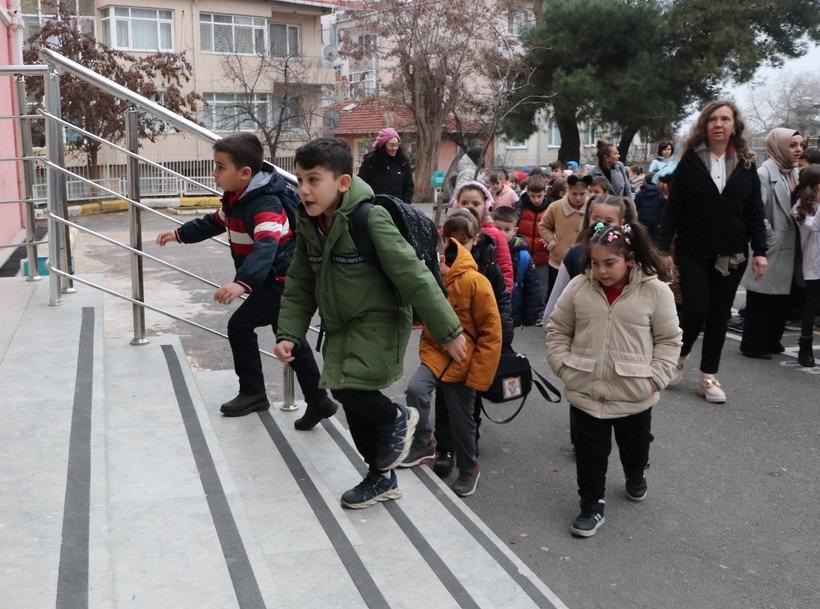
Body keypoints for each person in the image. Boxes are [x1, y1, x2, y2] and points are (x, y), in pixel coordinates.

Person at [273, 138, 466, 509]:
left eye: (314, 180)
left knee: (352, 390)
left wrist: (448, 331)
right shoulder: (311, 225)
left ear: (343, 183)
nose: (305, 190)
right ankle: (380, 476)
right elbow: (299, 284)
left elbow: (413, 275)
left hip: (380, 322)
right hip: (342, 326)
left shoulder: (369, 217)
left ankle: (398, 416)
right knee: (347, 396)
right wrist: (289, 334)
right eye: (299, 180)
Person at [155, 133, 338, 426]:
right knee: (291, 339)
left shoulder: (264, 204)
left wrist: (242, 283)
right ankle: (319, 401)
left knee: (239, 326)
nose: (214, 174)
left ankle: (254, 393)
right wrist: (180, 234)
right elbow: (214, 222)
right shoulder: (236, 198)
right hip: (270, 280)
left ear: (244, 173)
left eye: (219, 167)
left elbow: (267, 247)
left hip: (280, 281)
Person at [546, 224, 682, 537]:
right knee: (589, 452)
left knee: (635, 447)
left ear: (630, 259)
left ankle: (636, 472)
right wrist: (565, 367)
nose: (601, 271)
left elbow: (669, 340)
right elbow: (557, 330)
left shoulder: (655, 291)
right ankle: (591, 505)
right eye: (595, 263)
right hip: (586, 390)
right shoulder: (580, 287)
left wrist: (656, 379)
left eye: (610, 263)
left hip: (635, 392)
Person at [657, 100, 768, 403]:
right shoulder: (690, 163)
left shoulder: (746, 165)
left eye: (725, 119)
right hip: (693, 251)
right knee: (696, 310)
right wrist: (661, 249)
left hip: (732, 253)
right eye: (713, 119)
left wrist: (760, 250)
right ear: (704, 125)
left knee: (719, 315)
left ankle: (708, 377)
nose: (719, 124)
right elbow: (673, 210)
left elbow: (755, 212)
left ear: (735, 126)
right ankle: (679, 358)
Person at [404, 219, 502, 497]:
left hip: (465, 361)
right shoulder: (429, 277)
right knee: (415, 390)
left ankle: (469, 466)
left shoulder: (475, 281)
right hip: (437, 353)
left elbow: (491, 332)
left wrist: (479, 375)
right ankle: (423, 443)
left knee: (462, 420)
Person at [422, 208, 514, 476]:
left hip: (475, 348)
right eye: (453, 239)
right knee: (443, 400)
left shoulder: (487, 267)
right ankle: (445, 449)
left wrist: (504, 340)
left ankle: (467, 447)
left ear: (476, 238)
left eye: (464, 241)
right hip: (445, 351)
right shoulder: (440, 265)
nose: (459, 246)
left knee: (468, 404)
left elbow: (501, 303)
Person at [739, 128, 803, 359]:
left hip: (790, 244)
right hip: (771, 244)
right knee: (761, 298)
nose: (798, 150)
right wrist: (769, 238)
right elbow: (754, 212)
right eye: (792, 145)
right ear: (778, 146)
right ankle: (753, 345)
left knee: (781, 298)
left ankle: (772, 340)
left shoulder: (793, 172)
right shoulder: (764, 174)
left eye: (800, 145)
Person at [450, 180, 514, 293]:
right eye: (464, 203)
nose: (470, 207)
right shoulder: (447, 231)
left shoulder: (496, 235)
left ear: (486, 206)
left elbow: (505, 270)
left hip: (487, 297)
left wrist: (504, 299)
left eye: (476, 204)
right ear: (456, 204)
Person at [539, 173, 591, 298]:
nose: (578, 198)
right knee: (558, 297)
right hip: (558, 261)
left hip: (586, 262)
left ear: (587, 191)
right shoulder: (555, 207)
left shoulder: (593, 207)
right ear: (568, 190)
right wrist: (552, 244)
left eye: (582, 194)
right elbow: (544, 226)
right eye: (574, 194)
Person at [492, 205, 542, 326]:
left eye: (507, 230)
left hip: (511, 311)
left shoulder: (523, 256)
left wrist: (530, 317)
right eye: (498, 229)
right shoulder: (486, 250)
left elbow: (532, 288)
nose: (502, 234)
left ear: (515, 231)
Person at [791, 164, 820, 367]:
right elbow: (815, 226)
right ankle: (805, 345)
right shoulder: (802, 207)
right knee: (812, 304)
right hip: (814, 263)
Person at [516, 175, 552, 305]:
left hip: (542, 255)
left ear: (545, 192)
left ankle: (540, 309)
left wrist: (550, 239)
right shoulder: (520, 207)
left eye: (539, 196)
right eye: (532, 196)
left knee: (541, 285)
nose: (536, 200)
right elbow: (514, 227)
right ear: (528, 193)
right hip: (523, 254)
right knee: (522, 283)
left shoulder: (551, 208)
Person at [357, 127, 415, 204]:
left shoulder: (403, 162)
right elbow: (362, 186)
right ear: (383, 145)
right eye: (391, 145)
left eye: (397, 145)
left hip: (398, 209)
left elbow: (409, 186)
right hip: (376, 210)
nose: (395, 148)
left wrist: (405, 205)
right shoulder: (370, 162)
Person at [634, 173, 666, 245]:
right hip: (655, 220)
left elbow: (636, 205)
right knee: (654, 240)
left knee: (643, 239)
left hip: (643, 219)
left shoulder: (640, 192)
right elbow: (662, 207)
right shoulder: (660, 193)